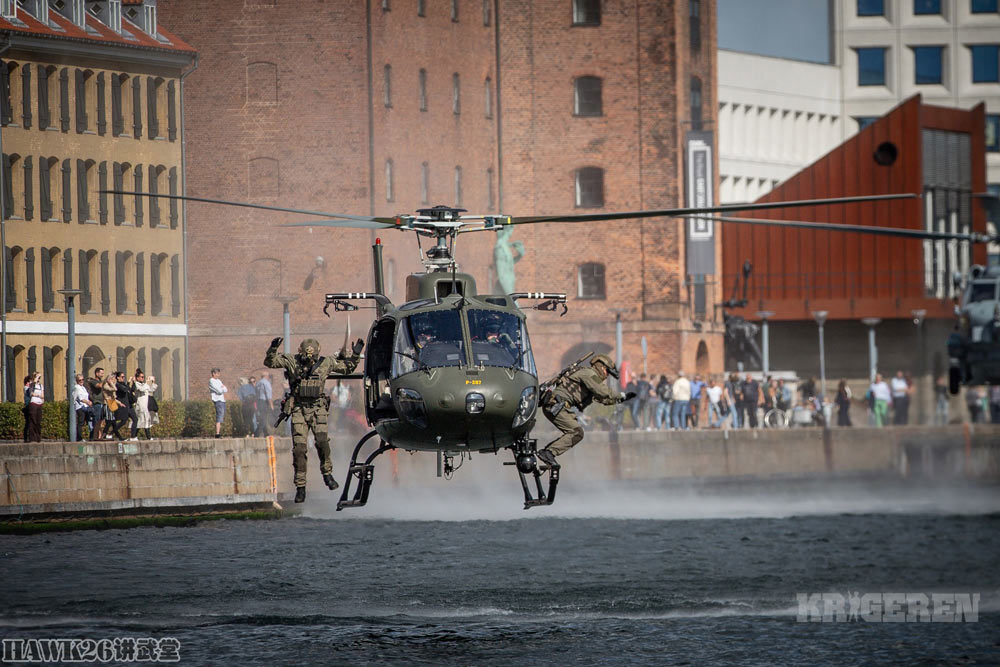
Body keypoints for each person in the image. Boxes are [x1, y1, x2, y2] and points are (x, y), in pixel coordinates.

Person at [265, 336, 363, 503]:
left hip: (318, 408)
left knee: (322, 442)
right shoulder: (292, 361)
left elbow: (347, 368)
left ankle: (327, 474)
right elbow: (270, 362)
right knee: (299, 449)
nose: (309, 359)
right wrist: (273, 348)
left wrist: (355, 354)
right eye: (306, 355)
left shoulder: (326, 363)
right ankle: (301, 487)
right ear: (300, 352)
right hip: (299, 409)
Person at [536, 353, 632, 467]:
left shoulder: (590, 381)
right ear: (601, 367)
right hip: (555, 406)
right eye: (607, 372)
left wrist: (621, 400)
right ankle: (548, 453)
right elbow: (603, 391)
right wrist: (621, 395)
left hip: (558, 407)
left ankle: (549, 452)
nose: (606, 376)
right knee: (576, 432)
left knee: (577, 432)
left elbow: (603, 399)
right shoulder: (589, 374)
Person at [132, 369, 158, 440]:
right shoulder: (136, 384)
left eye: (143, 377)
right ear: (137, 378)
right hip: (140, 405)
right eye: (141, 377)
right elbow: (141, 389)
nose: (143, 378)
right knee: (141, 421)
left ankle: (137, 436)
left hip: (145, 405)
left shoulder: (144, 384)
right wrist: (147, 382)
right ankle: (136, 436)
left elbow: (151, 390)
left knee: (146, 420)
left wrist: (152, 382)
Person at [114, 371, 138, 441]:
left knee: (135, 419)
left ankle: (133, 437)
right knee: (123, 421)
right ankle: (110, 433)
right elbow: (125, 390)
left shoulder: (124, 384)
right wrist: (127, 383)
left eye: (124, 377)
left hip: (129, 405)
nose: (123, 378)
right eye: (122, 377)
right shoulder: (117, 384)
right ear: (118, 378)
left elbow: (131, 390)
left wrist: (133, 383)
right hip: (123, 405)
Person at [87, 367, 108, 441]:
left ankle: (99, 436)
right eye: (101, 373)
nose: (102, 375)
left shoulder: (101, 381)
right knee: (96, 420)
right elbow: (99, 386)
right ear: (97, 373)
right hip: (97, 403)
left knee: (101, 421)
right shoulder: (93, 381)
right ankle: (93, 437)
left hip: (102, 402)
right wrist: (106, 380)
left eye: (103, 373)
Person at [71, 374, 92, 441]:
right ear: (77, 381)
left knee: (87, 421)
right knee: (81, 422)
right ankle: (79, 438)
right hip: (80, 407)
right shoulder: (77, 387)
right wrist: (88, 402)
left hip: (85, 406)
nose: (81, 381)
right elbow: (81, 398)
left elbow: (86, 396)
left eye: (82, 379)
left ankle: (89, 436)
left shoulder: (83, 387)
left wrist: (89, 402)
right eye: (80, 380)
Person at [24, 372, 43, 442]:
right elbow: (31, 393)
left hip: (39, 404)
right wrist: (38, 395)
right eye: (38, 377)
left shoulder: (41, 386)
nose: (39, 379)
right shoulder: (31, 385)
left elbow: (43, 396)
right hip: (33, 403)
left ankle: (38, 438)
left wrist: (37, 395)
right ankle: (32, 438)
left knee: (38, 422)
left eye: (39, 377)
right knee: (32, 421)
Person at [209, 368, 228, 438]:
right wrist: (222, 389)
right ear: (213, 373)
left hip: (222, 400)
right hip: (217, 400)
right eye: (217, 373)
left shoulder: (219, 381)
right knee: (219, 416)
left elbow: (226, 389)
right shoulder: (211, 381)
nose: (218, 375)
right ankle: (217, 433)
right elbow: (219, 391)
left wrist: (222, 388)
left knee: (222, 415)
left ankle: (219, 432)